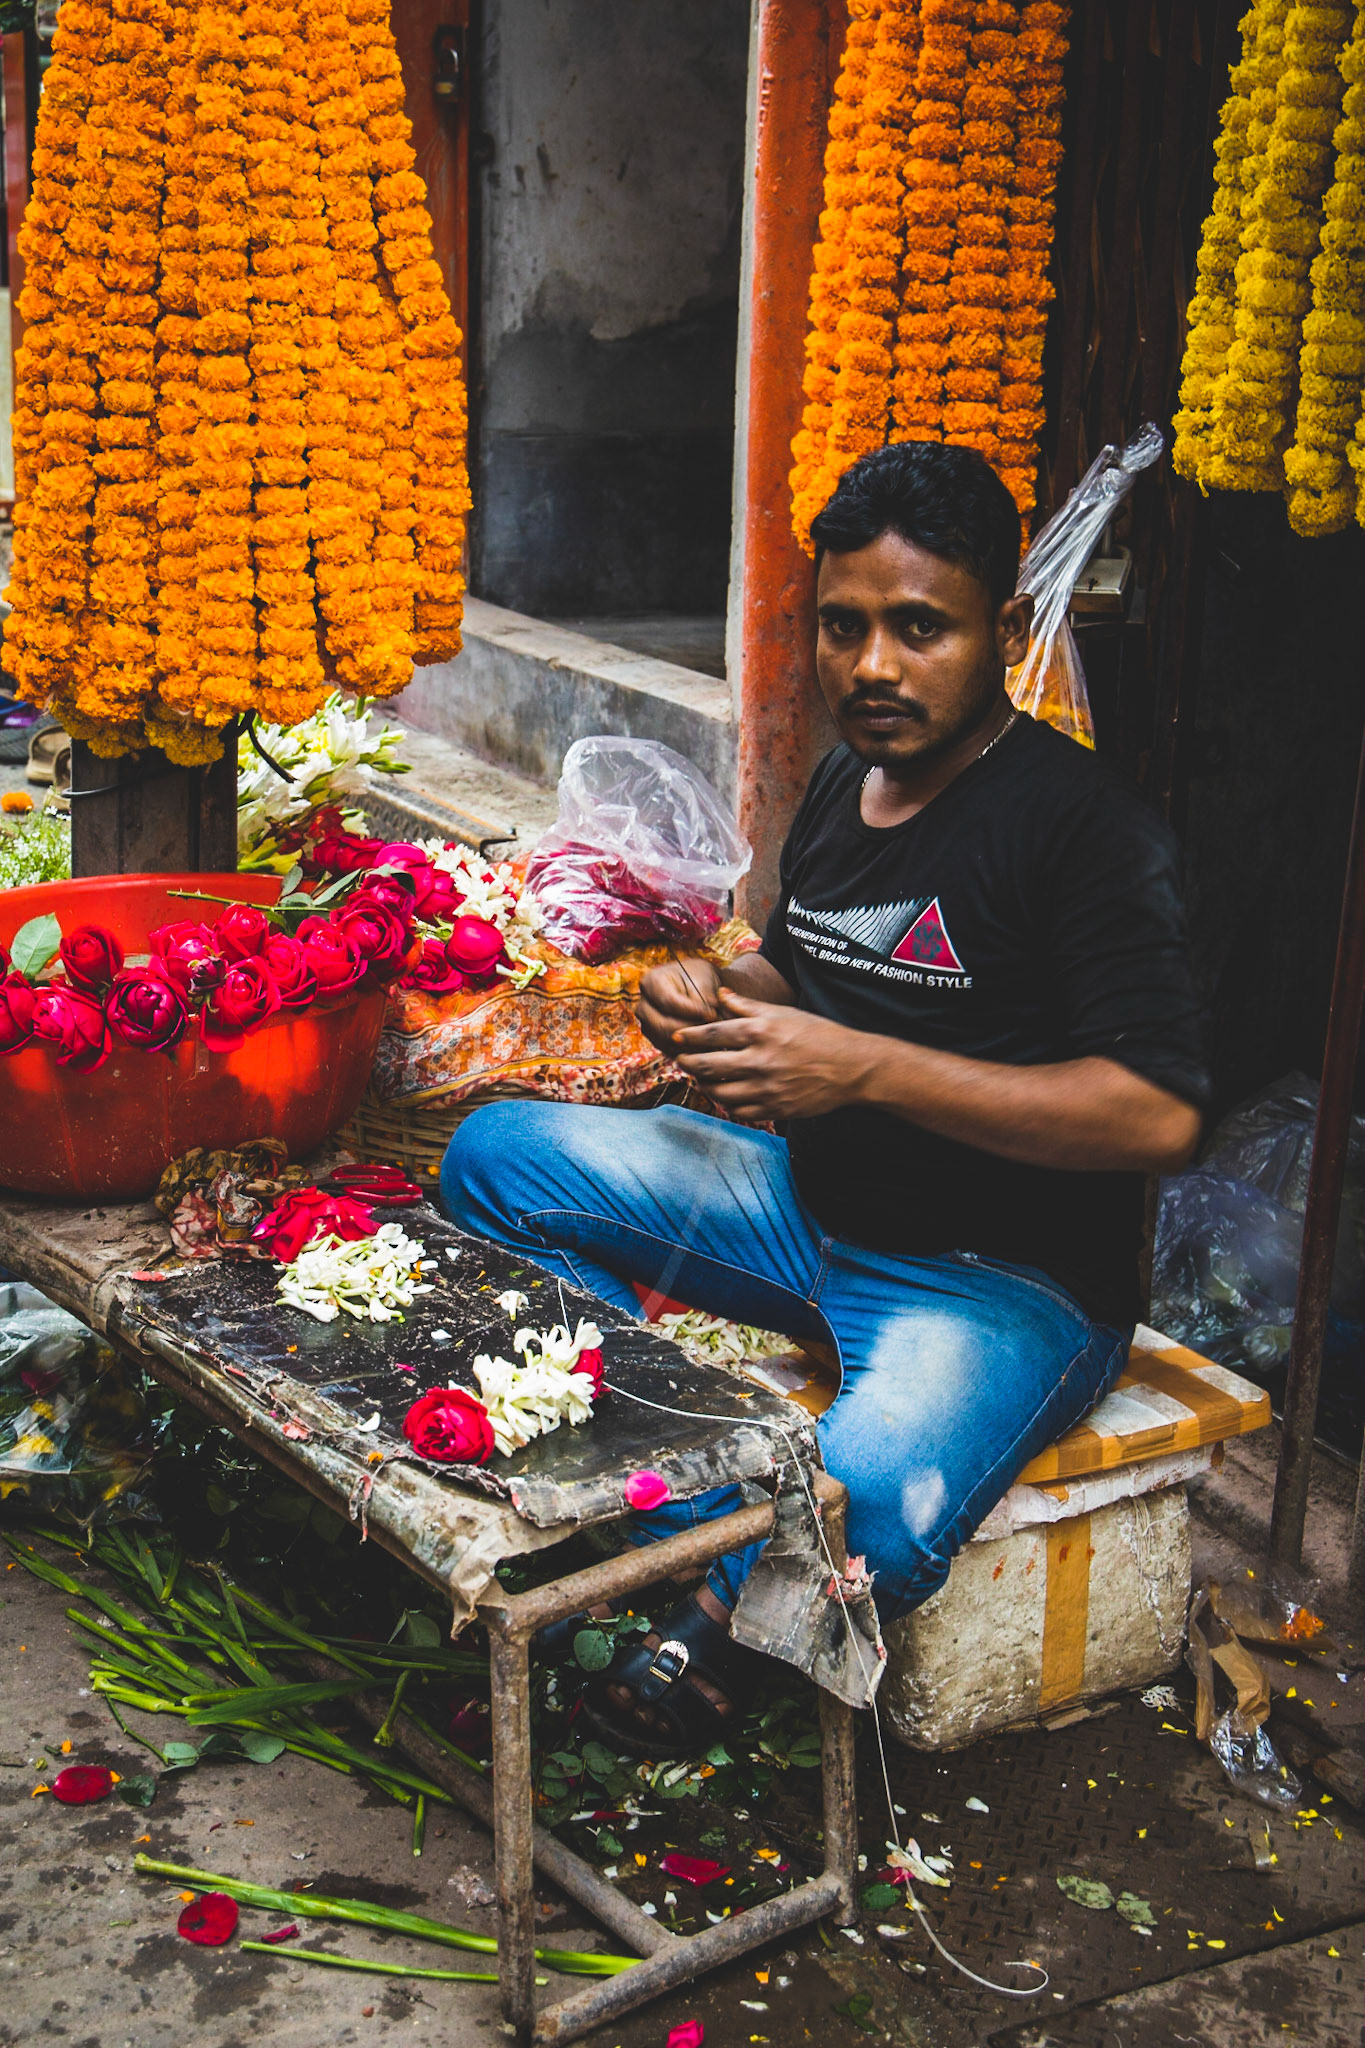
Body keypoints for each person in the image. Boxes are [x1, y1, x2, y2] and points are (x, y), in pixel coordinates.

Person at [441, 441, 1208, 1754]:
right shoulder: (839, 789)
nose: (871, 668)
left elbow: (1155, 1115)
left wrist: (858, 1067)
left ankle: (706, 1603)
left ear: (1004, 630)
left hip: (1001, 1279)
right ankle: (665, 1490)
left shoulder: (1086, 830)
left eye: (920, 630)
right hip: (804, 1209)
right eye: (843, 627)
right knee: (496, 1158)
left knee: (881, 1504)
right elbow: (797, 967)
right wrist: (713, 993)